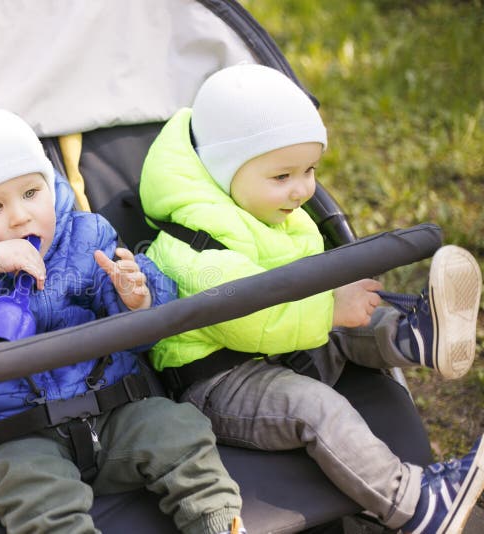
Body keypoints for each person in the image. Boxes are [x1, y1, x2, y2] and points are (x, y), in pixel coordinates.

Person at [139, 64, 484, 534]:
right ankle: (416, 506)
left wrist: (336, 302)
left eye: (310, 171)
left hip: (282, 344)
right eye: (283, 175)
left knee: (352, 315)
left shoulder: (273, 209)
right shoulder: (189, 243)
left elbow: (303, 291)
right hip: (219, 381)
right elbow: (245, 315)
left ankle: (415, 336)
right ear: (223, 171)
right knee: (318, 408)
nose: (302, 189)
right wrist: (328, 306)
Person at [0, 109, 245, 534]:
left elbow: (141, 332)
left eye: (30, 193)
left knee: (178, 430)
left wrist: (137, 297)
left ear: (49, 185)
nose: (20, 217)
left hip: (114, 412)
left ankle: (218, 520)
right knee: (38, 498)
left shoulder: (85, 237)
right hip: (13, 438)